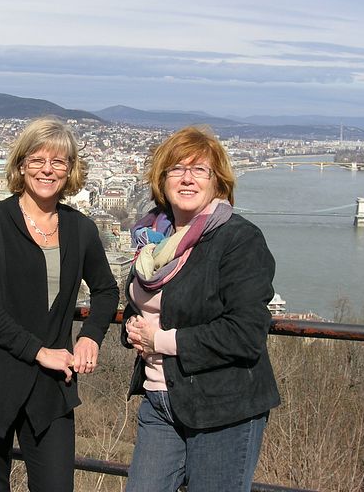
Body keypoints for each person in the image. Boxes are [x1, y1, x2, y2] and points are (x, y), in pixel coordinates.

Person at [0, 117, 119, 492]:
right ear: (21, 165)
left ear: (70, 170)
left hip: (49, 381)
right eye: (37, 160)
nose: (47, 170)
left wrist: (90, 337)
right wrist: (39, 351)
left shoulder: (80, 229)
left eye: (58, 162)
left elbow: (106, 290)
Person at [122, 126, 279, 492]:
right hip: (159, 401)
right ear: (162, 180)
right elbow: (142, 305)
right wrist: (132, 327)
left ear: (217, 182)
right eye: (176, 169)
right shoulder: (152, 238)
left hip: (223, 407)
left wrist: (159, 340)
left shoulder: (239, 239)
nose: (187, 178)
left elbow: (245, 334)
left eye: (200, 170)